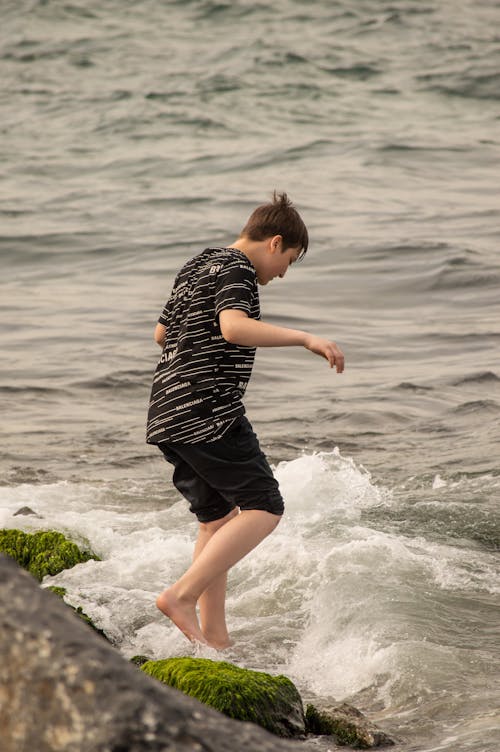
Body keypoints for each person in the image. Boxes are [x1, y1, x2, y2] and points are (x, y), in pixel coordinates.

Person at [146, 192, 344, 649]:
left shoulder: (199, 264)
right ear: (275, 243)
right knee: (265, 506)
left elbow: (161, 334)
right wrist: (305, 338)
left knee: (217, 520)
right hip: (208, 412)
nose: (282, 274)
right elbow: (233, 327)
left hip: (167, 411)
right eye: (289, 261)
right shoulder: (239, 271)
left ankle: (214, 637)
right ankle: (180, 596)